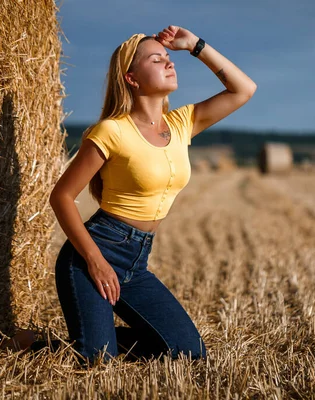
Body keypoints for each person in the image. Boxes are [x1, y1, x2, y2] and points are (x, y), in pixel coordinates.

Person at [49, 25, 256, 364]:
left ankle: (88, 339)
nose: (168, 63)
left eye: (168, 59)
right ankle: (55, 344)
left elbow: (243, 89)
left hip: (136, 260)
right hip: (94, 254)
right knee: (99, 362)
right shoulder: (112, 131)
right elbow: (61, 197)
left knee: (189, 353)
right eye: (156, 59)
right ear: (131, 78)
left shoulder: (181, 124)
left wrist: (194, 45)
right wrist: (96, 261)